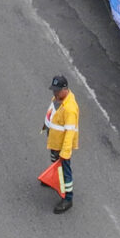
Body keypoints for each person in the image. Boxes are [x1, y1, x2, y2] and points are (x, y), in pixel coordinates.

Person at [44, 75, 80, 213]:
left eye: (57, 91)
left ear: (65, 89)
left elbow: (69, 133)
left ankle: (68, 198)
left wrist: (65, 152)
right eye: (54, 90)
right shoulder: (58, 99)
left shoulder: (70, 108)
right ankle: (53, 180)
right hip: (54, 141)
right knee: (55, 163)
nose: (55, 93)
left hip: (62, 146)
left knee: (65, 170)